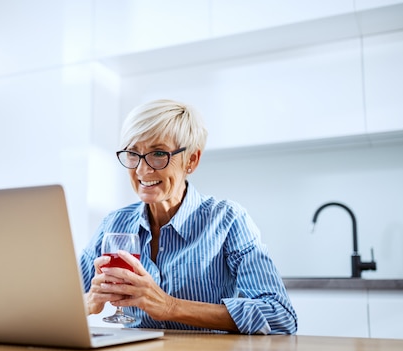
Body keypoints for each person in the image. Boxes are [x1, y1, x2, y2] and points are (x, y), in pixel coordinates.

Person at [80, 99, 297, 334]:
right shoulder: (114, 223)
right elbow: (56, 303)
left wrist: (169, 306)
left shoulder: (227, 220)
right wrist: (88, 302)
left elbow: (280, 315)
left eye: (158, 154)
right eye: (133, 154)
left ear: (191, 160)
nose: (142, 170)